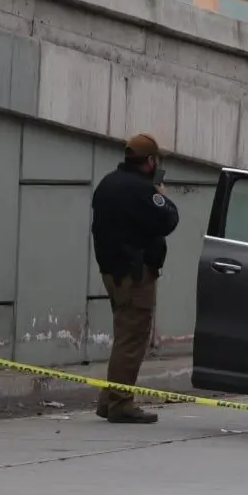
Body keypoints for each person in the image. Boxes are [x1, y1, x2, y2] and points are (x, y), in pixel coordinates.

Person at [90, 133, 180, 424]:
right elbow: (169, 219)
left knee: (124, 336)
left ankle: (109, 399)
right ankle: (120, 403)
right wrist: (161, 194)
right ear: (150, 161)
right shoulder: (142, 190)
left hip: (112, 272)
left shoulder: (108, 183)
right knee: (133, 339)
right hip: (135, 274)